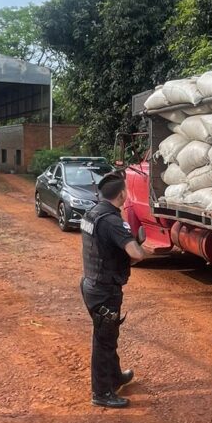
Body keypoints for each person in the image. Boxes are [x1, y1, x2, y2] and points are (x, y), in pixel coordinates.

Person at [80, 170, 150, 409]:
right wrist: (142, 247)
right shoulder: (113, 221)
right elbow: (136, 253)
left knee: (108, 337)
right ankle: (101, 392)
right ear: (122, 194)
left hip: (91, 284)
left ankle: (115, 377)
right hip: (105, 290)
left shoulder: (92, 213)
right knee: (104, 342)